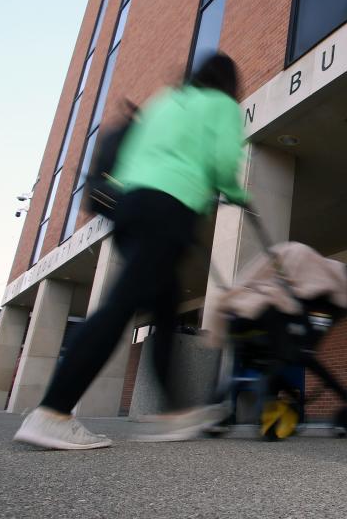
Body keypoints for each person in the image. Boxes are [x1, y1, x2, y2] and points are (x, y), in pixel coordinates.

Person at [14, 52, 248, 450]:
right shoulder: (222, 105)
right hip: (169, 208)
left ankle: (175, 414)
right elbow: (224, 160)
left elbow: (130, 154)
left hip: (129, 206)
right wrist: (237, 192)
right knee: (120, 306)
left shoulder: (166, 101)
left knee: (165, 308)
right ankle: (52, 411)